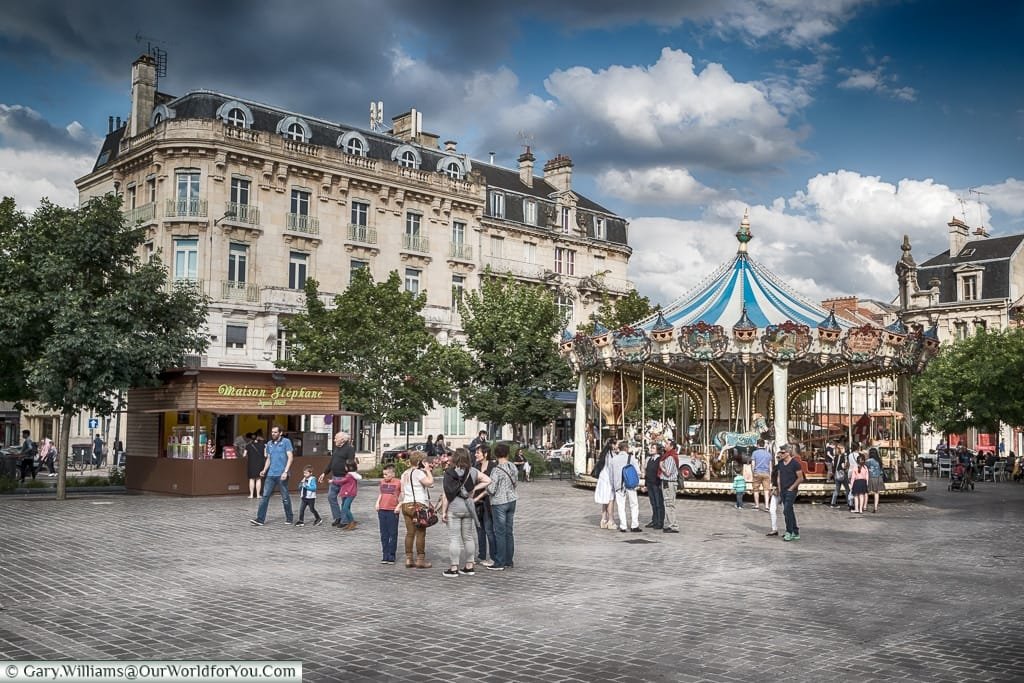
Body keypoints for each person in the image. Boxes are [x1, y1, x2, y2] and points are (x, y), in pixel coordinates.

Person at [440, 449, 491, 577]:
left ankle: (454, 568)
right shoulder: (473, 471)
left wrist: (443, 512)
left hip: (454, 508)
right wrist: (474, 488)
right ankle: (469, 566)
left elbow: (446, 495)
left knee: (454, 538)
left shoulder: (449, 473)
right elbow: (488, 480)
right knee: (468, 537)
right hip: (468, 507)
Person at [398, 451, 436, 569]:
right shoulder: (418, 473)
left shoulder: (405, 473)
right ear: (420, 462)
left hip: (406, 504)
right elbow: (430, 483)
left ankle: (409, 558)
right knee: (420, 533)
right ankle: (420, 559)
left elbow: (402, 491)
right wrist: (428, 470)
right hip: (418, 505)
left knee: (410, 533)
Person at [250, 425, 294, 526]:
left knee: (285, 497)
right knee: (265, 496)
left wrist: (285, 472)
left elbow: (290, 457)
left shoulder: (286, 442)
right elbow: (269, 459)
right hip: (271, 474)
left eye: (275, 432)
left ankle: (289, 517)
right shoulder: (269, 444)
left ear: (280, 433)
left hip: (282, 474)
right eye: (272, 432)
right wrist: (264, 470)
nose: (273, 434)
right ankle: (260, 519)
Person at [487, 443, 518, 571]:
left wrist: (485, 486)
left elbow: (491, 489)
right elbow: (515, 482)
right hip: (512, 500)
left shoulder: (496, 470)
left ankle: (499, 561)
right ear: (507, 453)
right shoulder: (513, 466)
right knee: (509, 532)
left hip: (499, 502)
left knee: (499, 532)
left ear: (496, 454)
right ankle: (509, 560)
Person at [320, 431, 356, 527]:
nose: (334, 440)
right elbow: (332, 462)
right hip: (335, 477)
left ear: (343, 440)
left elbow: (351, 463)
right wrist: (324, 473)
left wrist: (349, 476)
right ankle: (338, 517)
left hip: (344, 478)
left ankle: (344, 521)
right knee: (331, 497)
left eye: (336, 438)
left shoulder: (349, 449)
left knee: (344, 499)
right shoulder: (336, 448)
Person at [609, 440, 641, 532]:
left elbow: (611, 474)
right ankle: (634, 525)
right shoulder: (631, 458)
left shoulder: (614, 459)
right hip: (630, 485)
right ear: (626, 448)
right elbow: (638, 472)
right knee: (634, 505)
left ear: (619, 449)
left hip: (619, 486)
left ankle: (623, 526)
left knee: (621, 506)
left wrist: (614, 485)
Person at [472, 444, 497, 566]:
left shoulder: (493, 466)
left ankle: (493, 556)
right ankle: (481, 555)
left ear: (485, 454)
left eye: (478, 452)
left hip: (488, 502)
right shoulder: (475, 466)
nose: (476, 454)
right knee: (479, 530)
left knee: (489, 529)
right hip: (476, 502)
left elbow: (492, 485)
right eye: (475, 452)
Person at [375, 465, 402, 564]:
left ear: (392, 474)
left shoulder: (398, 482)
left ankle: (392, 555)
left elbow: (403, 496)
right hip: (382, 510)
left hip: (392, 510)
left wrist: (399, 506)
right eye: (383, 474)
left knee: (392, 533)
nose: (384, 476)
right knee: (384, 534)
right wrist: (377, 503)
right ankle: (385, 554)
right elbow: (381, 493)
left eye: (386, 474)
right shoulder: (382, 482)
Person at [777, 444, 803, 541]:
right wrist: (779, 488)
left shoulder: (795, 464)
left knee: (786, 510)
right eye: (780, 452)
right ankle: (795, 531)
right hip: (783, 490)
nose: (781, 454)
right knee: (789, 511)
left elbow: (800, 478)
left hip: (791, 490)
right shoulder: (780, 463)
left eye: (783, 452)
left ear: (788, 453)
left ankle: (789, 531)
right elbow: (779, 476)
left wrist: (792, 487)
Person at [659, 440, 681, 534]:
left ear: (671, 446)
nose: (665, 445)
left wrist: (661, 466)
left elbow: (668, 472)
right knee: (668, 504)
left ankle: (673, 525)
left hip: (669, 483)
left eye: (667, 444)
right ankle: (671, 524)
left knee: (669, 504)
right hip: (667, 483)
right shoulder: (668, 456)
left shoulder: (670, 457)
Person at [643, 443, 664, 529]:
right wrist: (645, 484)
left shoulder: (659, 459)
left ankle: (660, 522)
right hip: (650, 483)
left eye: (653, 448)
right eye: (651, 448)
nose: (651, 449)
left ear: (657, 450)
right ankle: (654, 520)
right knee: (653, 503)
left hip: (656, 484)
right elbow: (647, 473)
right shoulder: (649, 459)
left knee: (659, 503)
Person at [336, 463, 363, 530]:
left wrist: (333, 481)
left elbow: (342, 481)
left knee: (345, 508)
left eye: (346, 466)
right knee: (345, 507)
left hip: (350, 493)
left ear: (349, 467)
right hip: (349, 493)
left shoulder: (349, 475)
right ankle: (349, 523)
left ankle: (352, 522)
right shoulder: (352, 475)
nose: (345, 467)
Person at [750, 439, 772, 511]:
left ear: (758, 445)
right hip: (766, 473)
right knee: (766, 490)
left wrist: (753, 472)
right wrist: (770, 474)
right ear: (764, 445)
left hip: (757, 472)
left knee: (756, 489)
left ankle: (757, 505)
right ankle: (766, 506)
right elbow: (770, 466)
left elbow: (753, 464)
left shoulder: (755, 453)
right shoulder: (768, 454)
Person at [244, 433, 265, 499]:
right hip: (260, 463)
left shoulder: (248, 446)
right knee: (258, 479)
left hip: (251, 463)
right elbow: (265, 455)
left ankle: (251, 495)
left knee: (251, 479)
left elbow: (244, 455)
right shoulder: (263, 445)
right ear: (257, 438)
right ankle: (258, 495)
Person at [766, 456, 781, 537]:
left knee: (786, 511)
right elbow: (773, 479)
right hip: (775, 489)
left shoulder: (787, 467)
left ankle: (790, 529)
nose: (778, 458)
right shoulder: (775, 467)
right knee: (772, 510)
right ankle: (774, 529)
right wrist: (772, 488)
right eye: (777, 457)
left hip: (784, 490)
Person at [866, 448, 884, 513]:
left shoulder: (868, 461)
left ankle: (864, 506)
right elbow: (882, 469)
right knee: (876, 493)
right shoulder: (879, 460)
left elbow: (865, 468)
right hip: (878, 478)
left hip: (871, 477)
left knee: (866, 492)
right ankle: (875, 507)